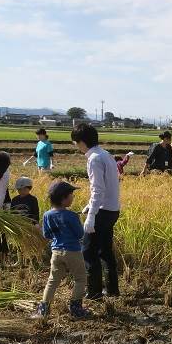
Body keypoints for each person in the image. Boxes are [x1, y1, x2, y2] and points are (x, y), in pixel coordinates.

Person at [71, 123, 121, 300]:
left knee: (89, 252)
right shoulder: (105, 154)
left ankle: (94, 292)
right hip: (112, 209)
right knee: (105, 251)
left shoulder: (93, 159)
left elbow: (97, 189)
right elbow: (108, 186)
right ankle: (113, 290)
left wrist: (91, 215)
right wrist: (89, 205)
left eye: (76, 142)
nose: (76, 146)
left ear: (82, 142)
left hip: (101, 212)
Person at [31, 181, 91, 319]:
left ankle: (43, 310)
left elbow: (46, 235)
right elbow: (80, 234)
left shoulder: (47, 215)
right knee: (81, 279)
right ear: (64, 198)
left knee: (52, 281)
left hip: (56, 252)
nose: (73, 197)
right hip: (73, 252)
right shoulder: (71, 216)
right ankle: (76, 309)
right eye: (71, 195)